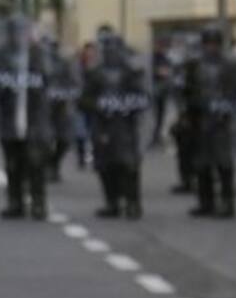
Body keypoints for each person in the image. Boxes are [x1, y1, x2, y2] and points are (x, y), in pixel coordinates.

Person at [0, 15, 53, 220]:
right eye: (15, 31)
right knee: (13, 164)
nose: (20, 36)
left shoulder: (39, 55)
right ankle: (15, 202)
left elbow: (51, 82)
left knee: (36, 163)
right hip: (9, 119)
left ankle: (39, 203)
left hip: (35, 119)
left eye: (23, 31)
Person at [181, 25, 236, 218]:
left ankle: (227, 203)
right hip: (200, 118)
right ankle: (206, 202)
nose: (211, 48)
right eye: (208, 44)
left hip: (223, 121)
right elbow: (187, 91)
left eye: (214, 44)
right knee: (202, 163)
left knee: (223, 163)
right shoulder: (194, 65)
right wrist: (188, 112)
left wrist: (228, 108)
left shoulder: (231, 66)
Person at [81, 33, 150, 219]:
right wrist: (99, 105)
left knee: (129, 166)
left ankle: (132, 202)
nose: (112, 53)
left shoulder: (131, 73)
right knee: (105, 166)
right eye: (108, 49)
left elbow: (143, 98)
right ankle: (112, 202)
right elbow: (84, 99)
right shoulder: (95, 73)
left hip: (125, 126)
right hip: (103, 125)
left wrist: (126, 106)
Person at [43, 36, 80, 182]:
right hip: (42, 108)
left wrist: (67, 94)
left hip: (62, 106)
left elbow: (75, 84)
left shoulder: (65, 64)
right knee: (42, 140)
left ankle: (54, 163)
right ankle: (47, 167)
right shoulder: (35, 63)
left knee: (65, 139)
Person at [149, 37, 173, 148]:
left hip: (163, 91)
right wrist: (159, 72)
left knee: (160, 116)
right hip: (154, 91)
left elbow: (167, 71)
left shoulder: (164, 58)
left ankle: (157, 136)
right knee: (154, 116)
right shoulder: (152, 59)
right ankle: (153, 137)